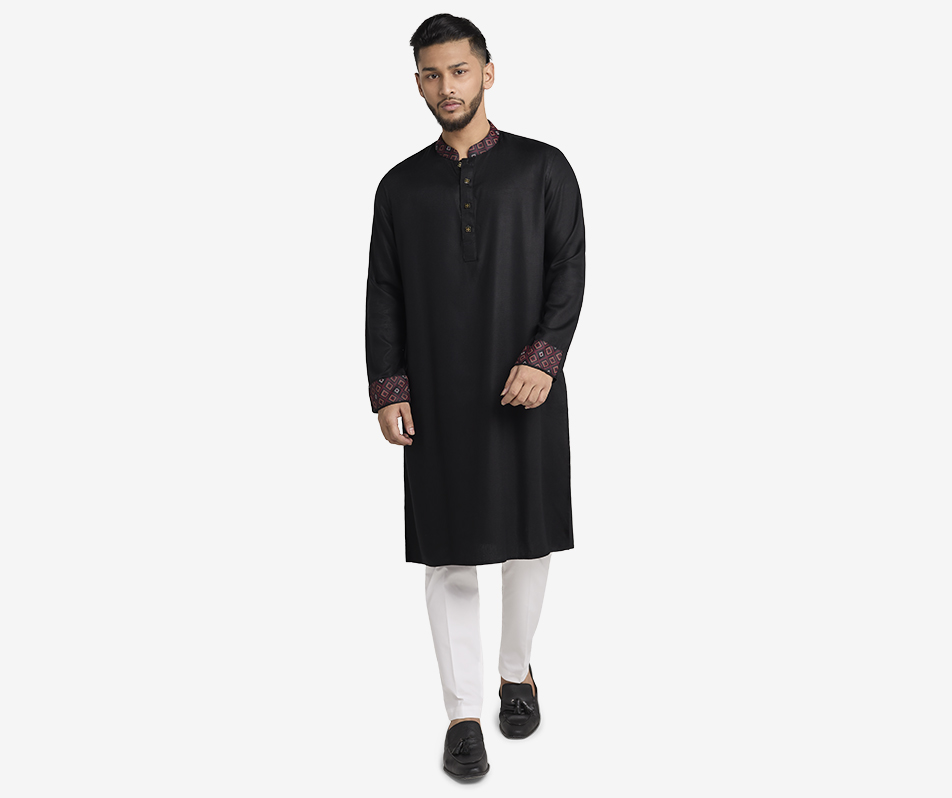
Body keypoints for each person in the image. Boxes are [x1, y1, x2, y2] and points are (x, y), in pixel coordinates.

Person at [364, 13, 585, 781]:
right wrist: (387, 387)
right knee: (450, 556)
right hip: (436, 393)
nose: (446, 87)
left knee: (529, 543)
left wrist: (544, 358)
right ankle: (462, 716)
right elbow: (384, 292)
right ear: (418, 82)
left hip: (525, 388)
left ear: (487, 73)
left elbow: (568, 267)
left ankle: (516, 672)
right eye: (431, 74)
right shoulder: (399, 187)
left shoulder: (543, 169)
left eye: (459, 71)